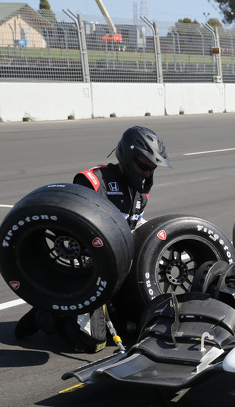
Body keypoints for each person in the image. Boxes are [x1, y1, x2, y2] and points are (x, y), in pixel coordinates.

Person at [14, 126, 172, 353]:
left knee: (139, 326)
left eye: (152, 168)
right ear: (127, 158)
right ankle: (46, 315)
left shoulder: (141, 193)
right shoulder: (93, 181)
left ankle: (64, 309)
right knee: (94, 342)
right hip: (90, 272)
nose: (148, 173)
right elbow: (68, 227)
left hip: (120, 271)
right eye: (144, 167)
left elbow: (136, 228)